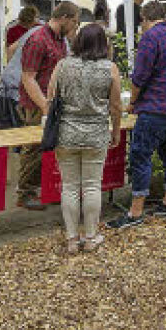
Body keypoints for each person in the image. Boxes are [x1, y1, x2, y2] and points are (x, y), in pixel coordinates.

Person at [107, 0, 166, 229]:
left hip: (155, 108)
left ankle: (135, 212)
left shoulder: (150, 38)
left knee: (140, 156)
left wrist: (132, 102)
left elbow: (139, 76)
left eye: (141, 22)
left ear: (145, 19)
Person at [52, 23, 122, 254]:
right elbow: (115, 106)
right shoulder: (110, 69)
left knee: (70, 186)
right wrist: (116, 131)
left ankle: (72, 240)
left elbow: (51, 97)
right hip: (96, 134)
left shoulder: (62, 65)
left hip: (66, 133)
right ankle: (91, 238)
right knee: (92, 186)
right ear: (103, 43)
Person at [17, 1, 80, 210]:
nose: (75, 28)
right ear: (64, 18)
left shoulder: (60, 40)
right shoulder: (38, 40)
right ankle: (25, 193)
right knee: (33, 148)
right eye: (74, 23)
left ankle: (47, 189)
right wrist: (44, 106)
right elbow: (28, 78)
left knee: (50, 148)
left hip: (53, 103)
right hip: (37, 105)